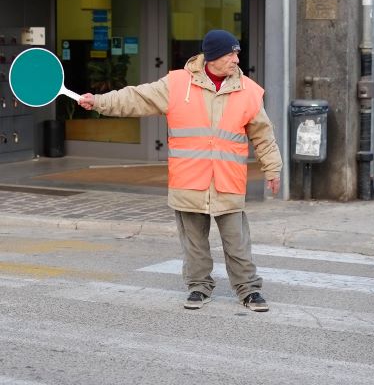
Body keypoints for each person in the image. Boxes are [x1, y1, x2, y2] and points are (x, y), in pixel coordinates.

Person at [78, 29, 282, 312]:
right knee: (194, 243)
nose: (237, 59)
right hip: (190, 179)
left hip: (228, 179)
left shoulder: (248, 90)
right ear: (211, 57)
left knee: (237, 242)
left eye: (237, 53)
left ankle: (248, 290)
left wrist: (272, 168)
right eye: (230, 53)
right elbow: (137, 97)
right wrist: (99, 102)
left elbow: (263, 134)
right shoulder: (176, 84)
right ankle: (199, 287)